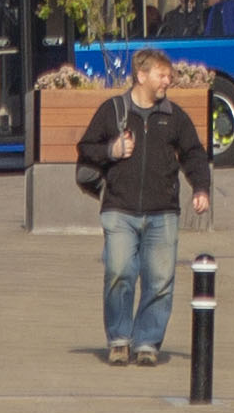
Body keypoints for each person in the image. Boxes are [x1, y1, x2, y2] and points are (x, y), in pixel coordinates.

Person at [77, 44, 213, 365]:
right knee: (119, 272)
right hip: (119, 209)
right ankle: (120, 338)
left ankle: (147, 342)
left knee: (159, 280)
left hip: (163, 211)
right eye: (162, 75)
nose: (168, 81)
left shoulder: (173, 116)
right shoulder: (112, 111)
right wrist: (112, 150)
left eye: (170, 76)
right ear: (141, 75)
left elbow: (194, 152)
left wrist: (201, 188)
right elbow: (85, 148)